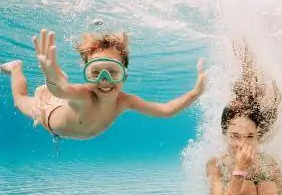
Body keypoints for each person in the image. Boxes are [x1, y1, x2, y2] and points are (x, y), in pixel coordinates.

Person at [0, 29, 206, 140]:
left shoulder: (125, 101)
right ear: (87, 74)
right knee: (19, 100)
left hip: (64, 107)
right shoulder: (84, 95)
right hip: (48, 112)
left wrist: (195, 92)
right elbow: (61, 89)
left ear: (124, 76)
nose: (104, 80)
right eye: (95, 73)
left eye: (112, 72)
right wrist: (51, 76)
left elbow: (165, 110)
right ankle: (16, 68)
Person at [206, 43, 282, 195]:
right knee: (246, 188)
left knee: (268, 188)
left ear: (258, 135)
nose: (242, 144)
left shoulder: (269, 164)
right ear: (224, 134)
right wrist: (239, 170)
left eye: (250, 136)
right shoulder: (216, 164)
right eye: (235, 136)